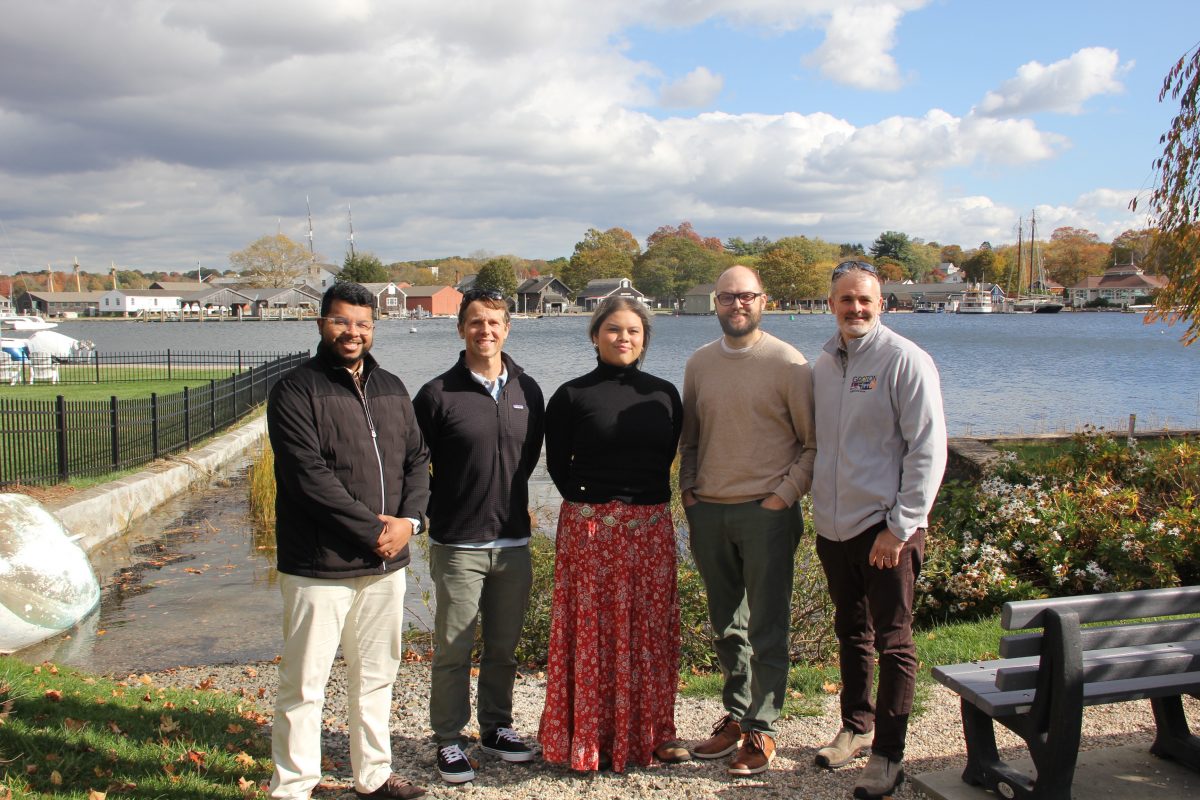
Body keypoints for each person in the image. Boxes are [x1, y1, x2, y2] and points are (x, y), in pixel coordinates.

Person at [266, 281, 430, 800]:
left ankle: (374, 777)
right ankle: (294, 786)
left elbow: (418, 460)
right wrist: (373, 531)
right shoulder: (295, 390)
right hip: (320, 564)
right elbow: (307, 476)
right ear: (321, 324)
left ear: (373, 328)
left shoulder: (393, 387)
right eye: (341, 321)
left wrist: (410, 523)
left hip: (386, 565)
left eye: (362, 324)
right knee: (304, 684)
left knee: (377, 676)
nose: (352, 332)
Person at [810, 261, 947, 800]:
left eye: (865, 300)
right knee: (852, 632)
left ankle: (888, 754)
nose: (856, 309)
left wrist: (902, 525)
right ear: (832, 305)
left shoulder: (904, 359)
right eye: (845, 300)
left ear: (881, 304)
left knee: (893, 641)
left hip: (886, 529)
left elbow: (928, 450)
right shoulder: (823, 363)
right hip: (834, 528)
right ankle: (856, 725)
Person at [538, 296, 688, 773]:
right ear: (595, 335)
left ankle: (653, 733)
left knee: (648, 634)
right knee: (590, 632)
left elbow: (664, 458)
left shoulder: (664, 394)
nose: (624, 338)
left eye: (634, 332)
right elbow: (559, 467)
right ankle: (587, 736)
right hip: (589, 531)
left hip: (650, 529)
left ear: (645, 339)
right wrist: (597, 514)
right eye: (613, 330)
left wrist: (635, 511)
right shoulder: (570, 395)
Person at [679, 264, 816, 776]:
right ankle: (735, 716)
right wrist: (689, 492)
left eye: (747, 296)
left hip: (766, 512)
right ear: (715, 302)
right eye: (727, 297)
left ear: (765, 301)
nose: (737, 305)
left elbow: (812, 444)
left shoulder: (789, 363)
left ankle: (763, 727)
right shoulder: (699, 363)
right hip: (709, 510)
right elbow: (689, 438)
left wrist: (782, 498)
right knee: (726, 625)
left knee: (768, 624)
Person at [412, 288, 545, 785]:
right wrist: (424, 515)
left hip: (512, 541)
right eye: (474, 322)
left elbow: (527, 458)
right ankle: (448, 737)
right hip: (458, 542)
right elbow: (414, 464)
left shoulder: (527, 391)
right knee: (453, 646)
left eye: (493, 322)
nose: (484, 331)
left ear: (507, 328)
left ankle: (496, 727)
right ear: (460, 328)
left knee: (503, 647)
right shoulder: (436, 393)